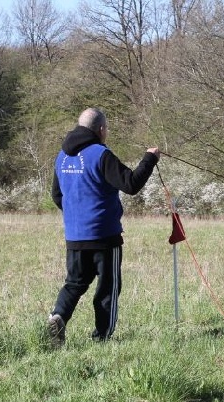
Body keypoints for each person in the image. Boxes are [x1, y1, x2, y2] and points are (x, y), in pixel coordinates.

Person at [47, 107, 160, 347]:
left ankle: (58, 316)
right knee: (108, 287)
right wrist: (149, 158)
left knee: (75, 283)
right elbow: (130, 183)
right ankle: (102, 338)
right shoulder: (100, 154)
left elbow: (57, 196)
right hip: (105, 236)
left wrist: (77, 214)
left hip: (75, 236)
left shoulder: (62, 157)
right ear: (101, 129)